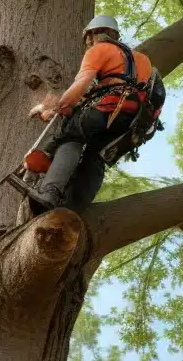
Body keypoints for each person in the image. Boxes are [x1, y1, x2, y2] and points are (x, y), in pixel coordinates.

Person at [25, 15, 153, 213]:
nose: (88, 43)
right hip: (129, 119)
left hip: (106, 108)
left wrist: (63, 105)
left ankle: (49, 193)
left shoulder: (99, 49)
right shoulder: (142, 60)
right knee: (96, 157)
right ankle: (73, 209)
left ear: (93, 34)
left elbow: (82, 83)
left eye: (88, 39)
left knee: (70, 137)